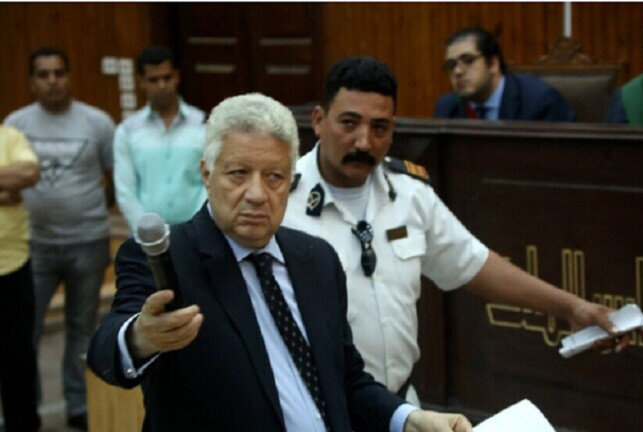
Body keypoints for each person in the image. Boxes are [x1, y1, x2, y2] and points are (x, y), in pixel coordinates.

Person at [87, 93, 473, 432]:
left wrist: (409, 419)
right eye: (238, 174)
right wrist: (140, 338)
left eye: (273, 177)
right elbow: (106, 349)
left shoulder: (316, 259)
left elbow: (346, 379)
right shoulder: (167, 260)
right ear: (207, 173)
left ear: (290, 180)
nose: (257, 194)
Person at [282, 56, 643, 404]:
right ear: (318, 120)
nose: (364, 142)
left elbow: (475, 263)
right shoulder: (281, 203)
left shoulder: (408, 193)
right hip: (318, 409)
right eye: (348, 123)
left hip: (399, 405)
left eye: (379, 127)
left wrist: (573, 309)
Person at [4, 47, 115, 431]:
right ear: (32, 81)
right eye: (43, 74)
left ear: (69, 76)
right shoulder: (16, 124)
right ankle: (25, 411)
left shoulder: (98, 122)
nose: (52, 80)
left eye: (58, 73)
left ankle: (79, 405)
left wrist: (89, 211)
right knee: (23, 333)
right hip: (33, 246)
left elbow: (112, 176)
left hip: (88, 241)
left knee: (82, 328)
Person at [113, 46, 206, 233]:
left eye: (167, 78)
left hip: (196, 231)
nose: (162, 86)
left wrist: (197, 227)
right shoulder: (127, 131)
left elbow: (209, 183)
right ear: (141, 82)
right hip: (145, 236)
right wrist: (148, 231)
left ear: (177, 77)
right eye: (153, 80)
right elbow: (125, 192)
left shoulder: (202, 125)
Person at [434, 26, 574, 121]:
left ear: (493, 64)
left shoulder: (539, 102)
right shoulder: (447, 108)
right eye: (451, 65)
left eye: (468, 60)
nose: (457, 71)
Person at [0, 125, 41, 432]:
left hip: (12, 266)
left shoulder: (9, 137)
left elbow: (29, 172)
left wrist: (16, 183)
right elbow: (16, 177)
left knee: (17, 358)